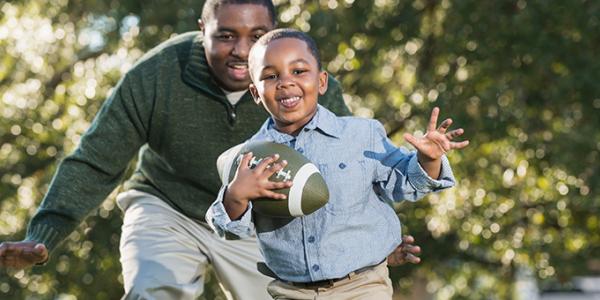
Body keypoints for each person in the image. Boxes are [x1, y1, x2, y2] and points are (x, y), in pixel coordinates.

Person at [0, 1, 421, 299]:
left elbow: (345, 171)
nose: (241, 50)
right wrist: (44, 234)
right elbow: (95, 162)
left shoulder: (306, 85)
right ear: (202, 31)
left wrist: (369, 244)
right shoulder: (157, 75)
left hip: (261, 220)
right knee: (155, 288)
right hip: (168, 206)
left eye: (256, 36)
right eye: (225, 35)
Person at [207, 28, 469, 299]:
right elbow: (229, 229)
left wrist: (428, 158)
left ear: (321, 82)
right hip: (291, 291)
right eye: (271, 76)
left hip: (363, 284)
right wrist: (235, 196)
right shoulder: (251, 158)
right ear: (255, 93)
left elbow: (406, 183)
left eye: (298, 71)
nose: (285, 82)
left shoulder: (361, 134)